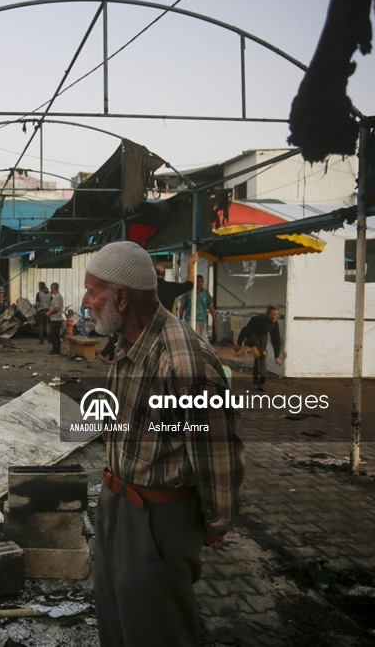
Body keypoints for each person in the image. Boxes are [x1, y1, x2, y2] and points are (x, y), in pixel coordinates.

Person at [80, 241, 244, 647]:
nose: (85, 302)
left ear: (121, 297)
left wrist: (217, 521)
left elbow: (217, 455)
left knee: (157, 631)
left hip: (158, 521)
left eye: (93, 290)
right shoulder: (127, 346)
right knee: (115, 622)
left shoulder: (185, 362)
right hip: (117, 505)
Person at [235, 306, 283, 391]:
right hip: (252, 338)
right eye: (272, 314)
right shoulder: (258, 319)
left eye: (276, 314)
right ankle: (262, 382)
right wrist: (239, 343)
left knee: (258, 356)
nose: (274, 316)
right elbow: (245, 330)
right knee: (262, 356)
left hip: (263, 338)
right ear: (267, 314)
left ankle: (256, 377)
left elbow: (276, 339)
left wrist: (277, 356)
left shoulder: (275, 324)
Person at [177, 275, 218, 343]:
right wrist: (180, 319)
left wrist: (215, 322)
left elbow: (211, 308)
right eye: (198, 281)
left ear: (203, 282)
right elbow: (182, 307)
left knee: (198, 339)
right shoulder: (189, 293)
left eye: (201, 281)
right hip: (190, 319)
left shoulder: (206, 294)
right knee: (193, 338)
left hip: (201, 320)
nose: (199, 283)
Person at [47, 282, 64, 356]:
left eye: (51, 288)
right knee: (56, 335)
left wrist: (50, 313)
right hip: (56, 319)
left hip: (56, 319)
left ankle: (55, 351)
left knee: (53, 335)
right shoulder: (58, 296)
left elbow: (56, 308)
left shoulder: (57, 297)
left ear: (53, 288)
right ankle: (56, 350)